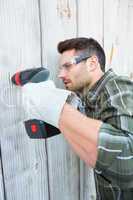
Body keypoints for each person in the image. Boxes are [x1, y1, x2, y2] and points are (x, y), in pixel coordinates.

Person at [12, 38, 133, 200]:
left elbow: (127, 165)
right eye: (60, 68)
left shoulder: (117, 87)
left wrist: (53, 105)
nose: (60, 74)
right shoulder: (89, 98)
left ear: (92, 63)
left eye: (68, 66)